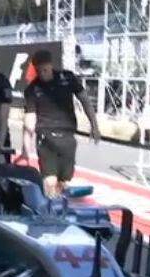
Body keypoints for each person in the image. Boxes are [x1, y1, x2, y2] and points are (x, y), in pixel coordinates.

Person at [23, 49, 100, 197]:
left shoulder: (68, 78)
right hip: (45, 136)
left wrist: (94, 126)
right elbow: (29, 119)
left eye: (45, 70)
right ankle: (50, 204)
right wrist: (26, 148)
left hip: (67, 136)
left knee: (63, 180)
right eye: (39, 71)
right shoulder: (32, 89)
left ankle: (58, 201)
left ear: (51, 65)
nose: (42, 74)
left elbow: (85, 100)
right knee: (49, 181)